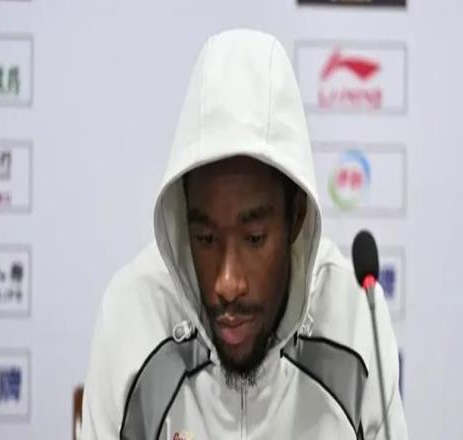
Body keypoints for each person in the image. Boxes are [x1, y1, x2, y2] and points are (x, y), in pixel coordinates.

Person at [81, 29, 408, 440]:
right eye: (205, 239)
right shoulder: (133, 315)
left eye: (254, 238)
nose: (227, 283)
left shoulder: (353, 319)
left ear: (296, 217)